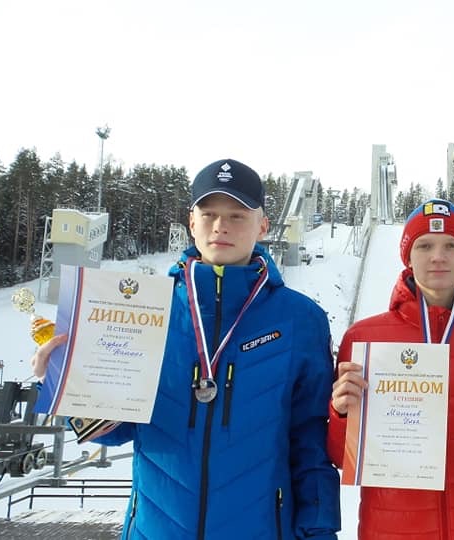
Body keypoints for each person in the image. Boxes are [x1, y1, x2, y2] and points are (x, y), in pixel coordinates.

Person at [31, 159, 340, 540]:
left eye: (237, 215)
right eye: (208, 213)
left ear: (263, 224)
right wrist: (67, 384)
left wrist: (319, 529)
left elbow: (309, 437)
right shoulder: (141, 311)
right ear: (191, 221)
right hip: (156, 529)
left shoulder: (300, 319)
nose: (220, 226)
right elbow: (114, 431)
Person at [328, 199, 454, 539]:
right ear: (408, 256)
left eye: (451, 245)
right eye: (424, 245)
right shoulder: (363, 338)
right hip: (392, 528)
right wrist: (340, 414)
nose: (438, 256)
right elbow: (340, 455)